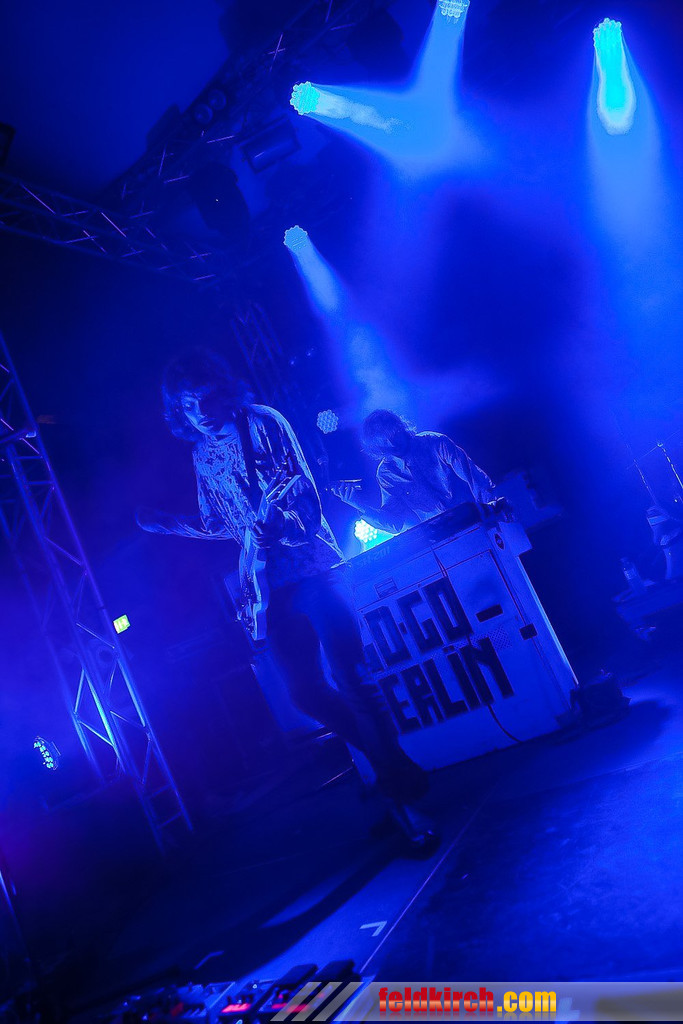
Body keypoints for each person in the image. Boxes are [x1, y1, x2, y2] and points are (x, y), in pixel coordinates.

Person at [136, 349, 437, 853]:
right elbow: (220, 524)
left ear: (223, 392)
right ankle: (397, 771)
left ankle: (402, 799)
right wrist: (168, 525)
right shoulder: (201, 455)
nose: (201, 412)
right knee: (305, 694)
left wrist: (284, 527)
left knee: (354, 678)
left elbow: (305, 494)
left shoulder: (263, 424)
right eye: (188, 406)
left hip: (314, 569)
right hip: (267, 590)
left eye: (206, 398)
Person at [334, 409, 494, 533]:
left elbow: (475, 478)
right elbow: (394, 523)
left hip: (478, 519)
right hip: (443, 535)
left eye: (393, 435)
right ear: (377, 448)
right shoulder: (386, 474)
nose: (392, 443)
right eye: (384, 442)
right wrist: (359, 504)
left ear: (401, 427)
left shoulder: (435, 442)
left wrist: (491, 510)